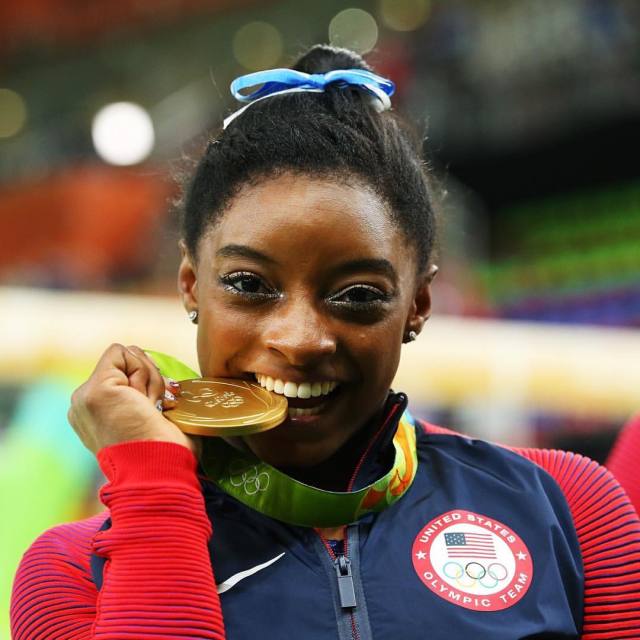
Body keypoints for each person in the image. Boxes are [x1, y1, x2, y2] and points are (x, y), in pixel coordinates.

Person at [10, 44, 640, 640]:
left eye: (358, 294)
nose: (301, 339)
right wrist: (153, 490)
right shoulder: (71, 574)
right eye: (248, 284)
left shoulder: (570, 510)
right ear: (190, 286)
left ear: (419, 303)